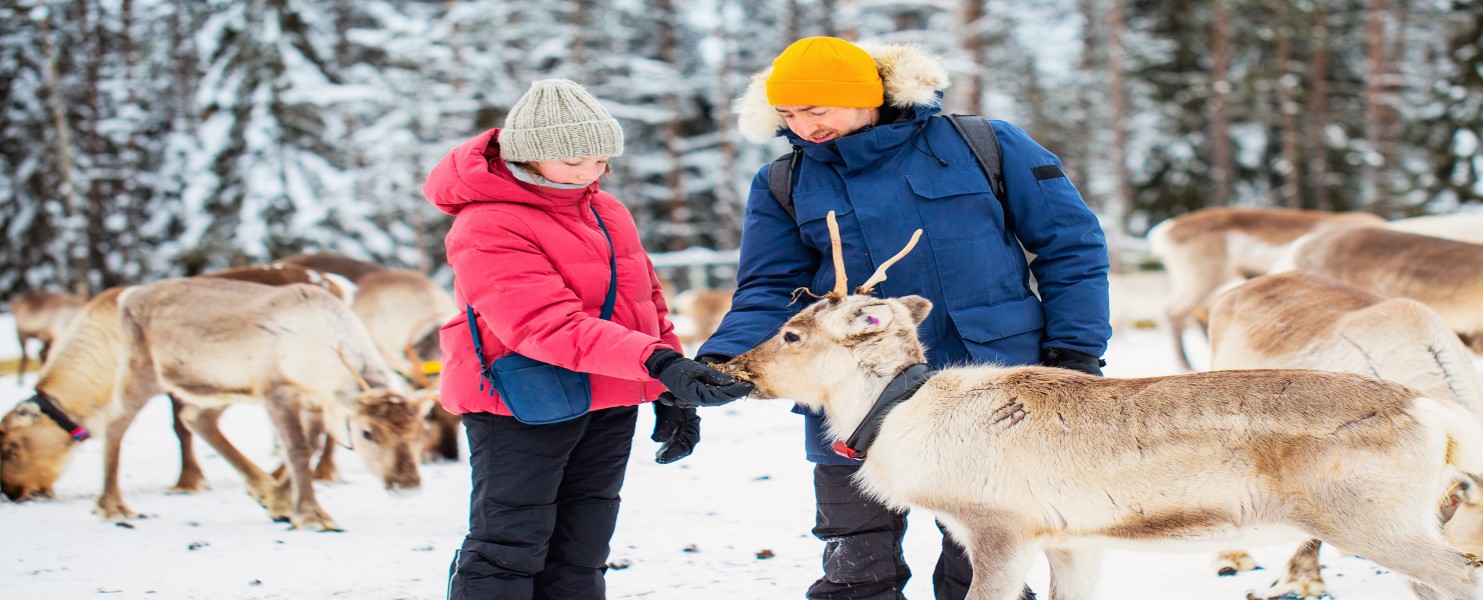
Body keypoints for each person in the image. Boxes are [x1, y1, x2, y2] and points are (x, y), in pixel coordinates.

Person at [688, 37, 1112, 600]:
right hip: (851, 396)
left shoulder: (985, 144)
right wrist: (724, 358)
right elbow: (768, 287)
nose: (804, 126)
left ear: (868, 96)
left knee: (985, 558)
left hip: (989, 388)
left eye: (818, 110)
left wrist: (1076, 351)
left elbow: (1071, 246)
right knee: (855, 561)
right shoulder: (783, 182)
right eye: (788, 114)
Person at [427, 79, 752, 599]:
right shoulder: (486, 224)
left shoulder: (606, 209)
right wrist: (657, 363)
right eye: (573, 161)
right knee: (512, 545)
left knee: (583, 549)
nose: (588, 172)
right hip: (522, 399)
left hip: (609, 391)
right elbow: (541, 323)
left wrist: (666, 388)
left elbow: (644, 302)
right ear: (530, 157)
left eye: (599, 159)